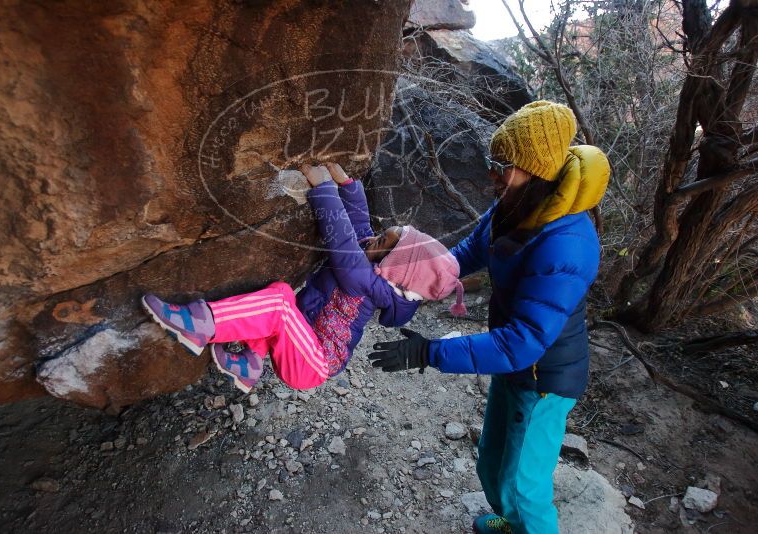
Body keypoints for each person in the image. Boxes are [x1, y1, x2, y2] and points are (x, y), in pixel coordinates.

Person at [368, 101, 610, 534]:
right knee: (492, 461)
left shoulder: (566, 243)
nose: (491, 173)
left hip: (542, 378)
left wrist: (429, 352)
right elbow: (466, 255)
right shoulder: (513, 207)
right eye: (491, 161)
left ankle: (526, 526)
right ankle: (511, 525)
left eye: (502, 164)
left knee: (522, 486)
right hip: (513, 366)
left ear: (534, 169)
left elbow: (522, 342)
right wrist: (408, 276)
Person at [141, 163, 465, 393]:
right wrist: (348, 184)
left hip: (314, 363)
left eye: (384, 243)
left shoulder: (366, 283)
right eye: (386, 234)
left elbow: (342, 244)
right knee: (280, 293)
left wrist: (323, 189)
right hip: (306, 340)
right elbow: (361, 228)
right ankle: (249, 364)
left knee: (281, 306)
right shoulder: (374, 261)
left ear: (392, 272)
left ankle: (201, 324)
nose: (376, 238)